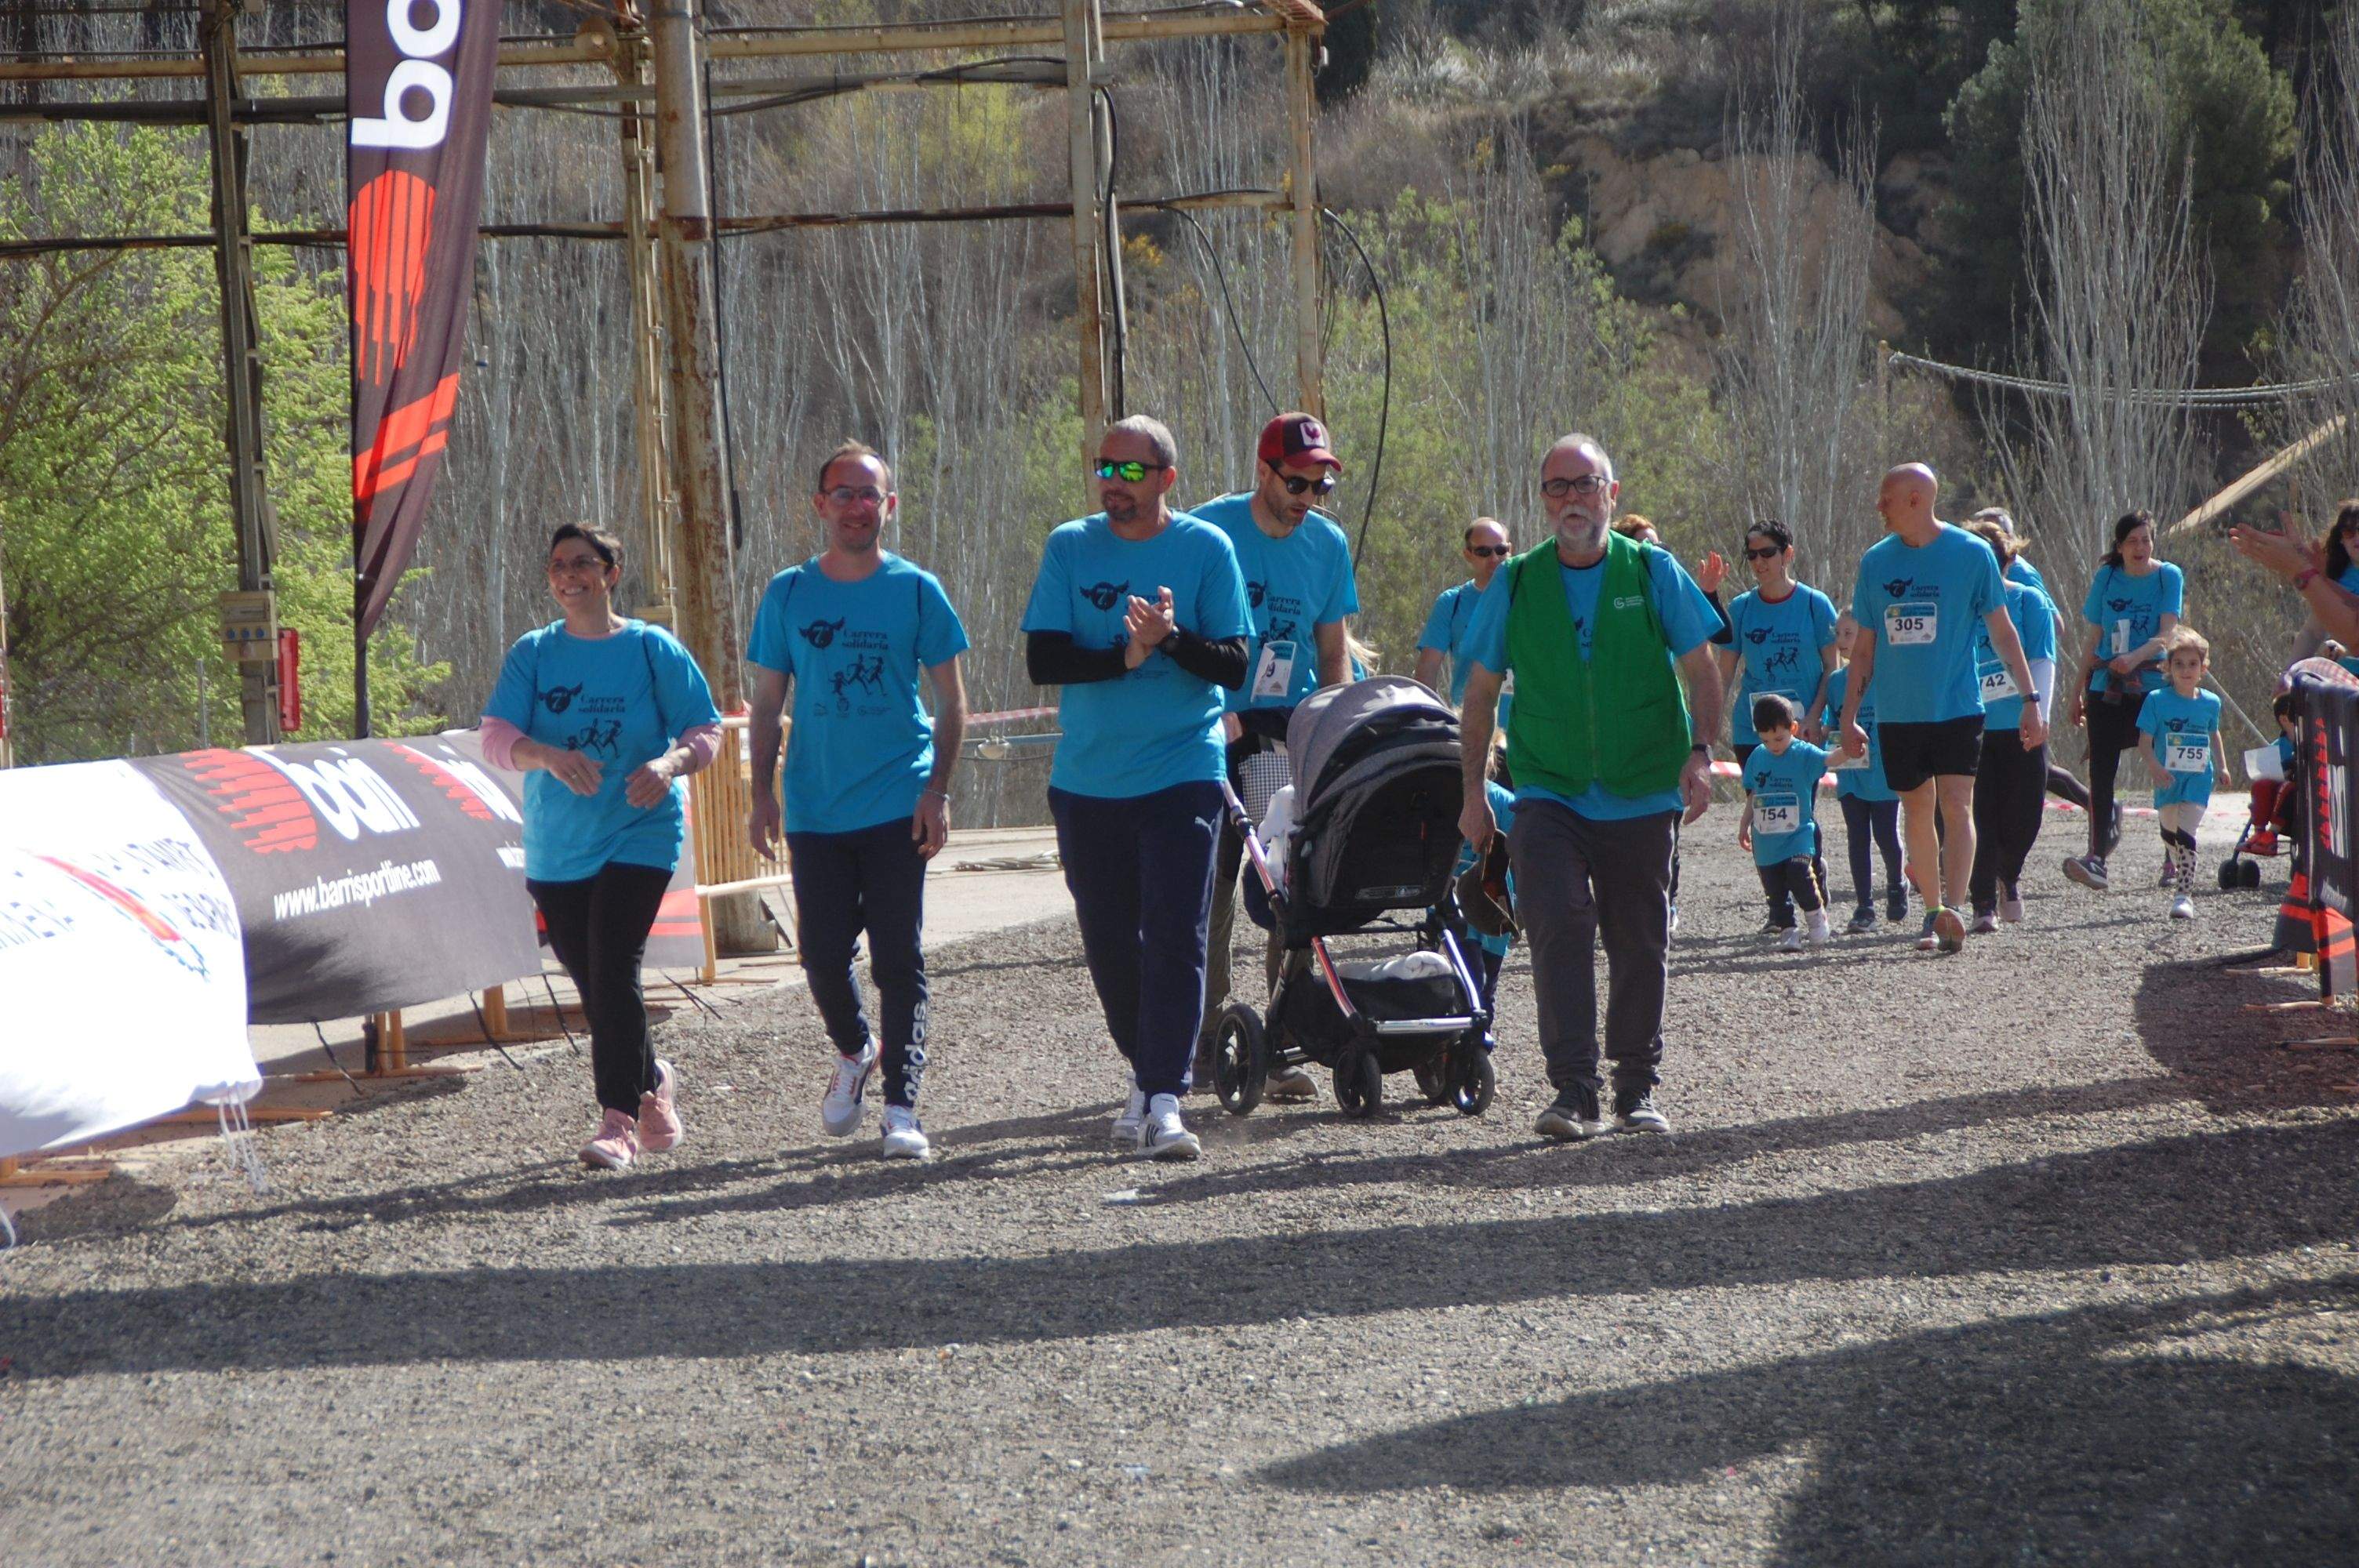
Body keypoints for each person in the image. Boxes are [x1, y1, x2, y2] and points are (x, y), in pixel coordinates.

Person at [1456, 434, 1725, 1141]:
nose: (1572, 498)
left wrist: (1700, 753)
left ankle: (1636, 1087)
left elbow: (1702, 670)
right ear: (1543, 501)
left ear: (1612, 493)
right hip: (1548, 786)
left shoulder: (1653, 571)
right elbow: (1480, 694)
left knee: (1639, 938)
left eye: (1585, 484)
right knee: (1555, 923)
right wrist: (1474, 793)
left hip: (1642, 785)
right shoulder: (1515, 581)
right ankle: (1573, 1089)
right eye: (1557, 487)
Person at [1023, 415, 1251, 1161]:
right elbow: (1045, 661)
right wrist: (1127, 655)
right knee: (1111, 941)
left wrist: (1171, 641)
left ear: (1166, 479)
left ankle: (1163, 1096)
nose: (1113, 485)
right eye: (1104, 469)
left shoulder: (1204, 549)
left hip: (1183, 768)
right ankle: (1146, 1068)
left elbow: (1233, 664)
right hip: (1089, 779)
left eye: (1129, 472)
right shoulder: (1069, 545)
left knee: (1177, 930)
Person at [745, 441, 970, 1162]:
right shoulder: (787, 593)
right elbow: (766, 703)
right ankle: (854, 1048)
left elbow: (952, 702)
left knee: (898, 959)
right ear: (820, 506)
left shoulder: (915, 590)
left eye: (869, 494)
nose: (855, 506)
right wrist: (760, 793)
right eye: (841, 493)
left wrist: (937, 791)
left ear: (889, 506)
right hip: (814, 805)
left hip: (897, 799)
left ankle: (902, 1110)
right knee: (819, 953)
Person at [481, 524, 722, 1171]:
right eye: (557, 565)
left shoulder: (651, 648)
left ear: (612, 573)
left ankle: (617, 1120)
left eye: (583, 563)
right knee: (595, 981)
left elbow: (705, 729)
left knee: (614, 966)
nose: (568, 575)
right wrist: (548, 757)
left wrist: (669, 765)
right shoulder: (533, 653)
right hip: (559, 845)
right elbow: (497, 737)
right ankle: (652, 1080)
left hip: (639, 831)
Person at [1191, 412, 1358, 1102]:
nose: (1307, 498)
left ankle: (1279, 1035)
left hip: (1291, 728)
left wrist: (1339, 726)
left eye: (1320, 486)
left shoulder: (1326, 544)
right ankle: (1203, 1040)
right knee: (1212, 894)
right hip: (1215, 724)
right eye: (1296, 482)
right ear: (1263, 472)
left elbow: (1332, 648)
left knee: (1290, 885)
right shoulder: (1209, 531)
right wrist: (1213, 706)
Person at [1840, 463, 2046, 954]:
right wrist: (1848, 716)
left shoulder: (1971, 554)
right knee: (1916, 809)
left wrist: (2030, 698)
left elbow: (2002, 632)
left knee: (1957, 806)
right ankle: (1932, 911)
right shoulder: (1875, 562)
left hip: (1957, 706)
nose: (1878, 507)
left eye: (1885, 497)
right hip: (1898, 712)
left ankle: (1954, 907)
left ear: (1915, 500)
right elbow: (1864, 649)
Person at [1716, 518, 1838, 931]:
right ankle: (1778, 910)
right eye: (1751, 554)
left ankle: (1814, 892)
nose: (1758, 561)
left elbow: (1830, 668)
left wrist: (1816, 718)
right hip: (1753, 734)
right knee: (1765, 816)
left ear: (1787, 554)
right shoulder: (1741, 609)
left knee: (1800, 815)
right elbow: (1724, 673)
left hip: (1801, 732)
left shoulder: (1814, 604)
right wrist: (1705, 724)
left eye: (1767, 552)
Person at [2061, 511, 2184, 891]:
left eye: (2146, 540)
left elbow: (2168, 634)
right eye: (2132, 541)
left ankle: (2174, 857)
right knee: (2101, 770)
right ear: (2119, 547)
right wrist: (2076, 689)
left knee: (2165, 767)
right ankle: (2097, 856)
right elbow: (2092, 636)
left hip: (2151, 686)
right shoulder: (2107, 578)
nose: (2140, 548)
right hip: (2107, 685)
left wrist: (2134, 657)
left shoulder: (2168, 576)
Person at [1961, 516, 2058, 932]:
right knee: (1978, 814)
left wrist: (2039, 713)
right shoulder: (1958, 608)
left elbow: (2043, 660)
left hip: (2022, 722)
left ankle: (2008, 873)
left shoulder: (2027, 601)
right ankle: (1982, 901)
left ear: (2005, 562)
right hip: (1972, 725)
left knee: (2024, 816)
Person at [1973, 506, 2090, 813]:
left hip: (2022, 693)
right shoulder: (1969, 571)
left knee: (2034, 769)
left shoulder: (2021, 572)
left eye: (1996, 531)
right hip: (1986, 707)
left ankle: (2095, 804)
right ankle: (2094, 804)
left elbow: (2055, 624)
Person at [1823, 611, 1905, 932]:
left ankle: (1897, 884)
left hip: (1884, 774)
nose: (1841, 641)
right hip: (1851, 774)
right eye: (1838, 634)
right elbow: (1833, 720)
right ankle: (1864, 907)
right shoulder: (1835, 683)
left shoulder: (1887, 676)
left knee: (1886, 834)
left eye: (1848, 634)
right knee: (1857, 837)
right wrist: (1825, 735)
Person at [2138, 627, 2225, 922]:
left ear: (2203, 668)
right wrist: (2155, 767)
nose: (2186, 671)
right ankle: (2179, 863)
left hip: (2199, 779)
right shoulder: (2156, 700)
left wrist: (2223, 766)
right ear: (2168, 668)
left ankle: (2184, 895)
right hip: (2168, 780)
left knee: (2187, 833)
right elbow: (2144, 741)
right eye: (2179, 664)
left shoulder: (2211, 702)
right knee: (2169, 830)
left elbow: (2214, 734)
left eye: (2192, 664)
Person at [1738, 695, 1834, 953]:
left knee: (1798, 872)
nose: (1773, 745)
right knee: (1774, 888)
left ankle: (1816, 916)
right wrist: (1744, 824)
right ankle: (1788, 929)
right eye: (1766, 740)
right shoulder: (1758, 757)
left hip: (1798, 834)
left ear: (1792, 728)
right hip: (1766, 839)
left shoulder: (1803, 753)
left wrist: (1849, 748)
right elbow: (1754, 795)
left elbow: (1828, 760)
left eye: (1779, 738)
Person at [1415, 517, 1510, 705]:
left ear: (1510, 550)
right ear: (1468, 555)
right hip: (1470, 722)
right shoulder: (1451, 603)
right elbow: (1427, 671)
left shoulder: (1528, 599)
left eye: (1500, 550)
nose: (1494, 559)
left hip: (1524, 727)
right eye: (1483, 551)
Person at [2288, 499, 2359, 663]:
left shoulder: (2328, 581)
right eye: (2349, 532)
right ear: (2341, 539)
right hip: (2342, 681)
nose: (2356, 538)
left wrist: (2345, 652)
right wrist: (2288, 676)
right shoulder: (2337, 576)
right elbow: (2312, 632)